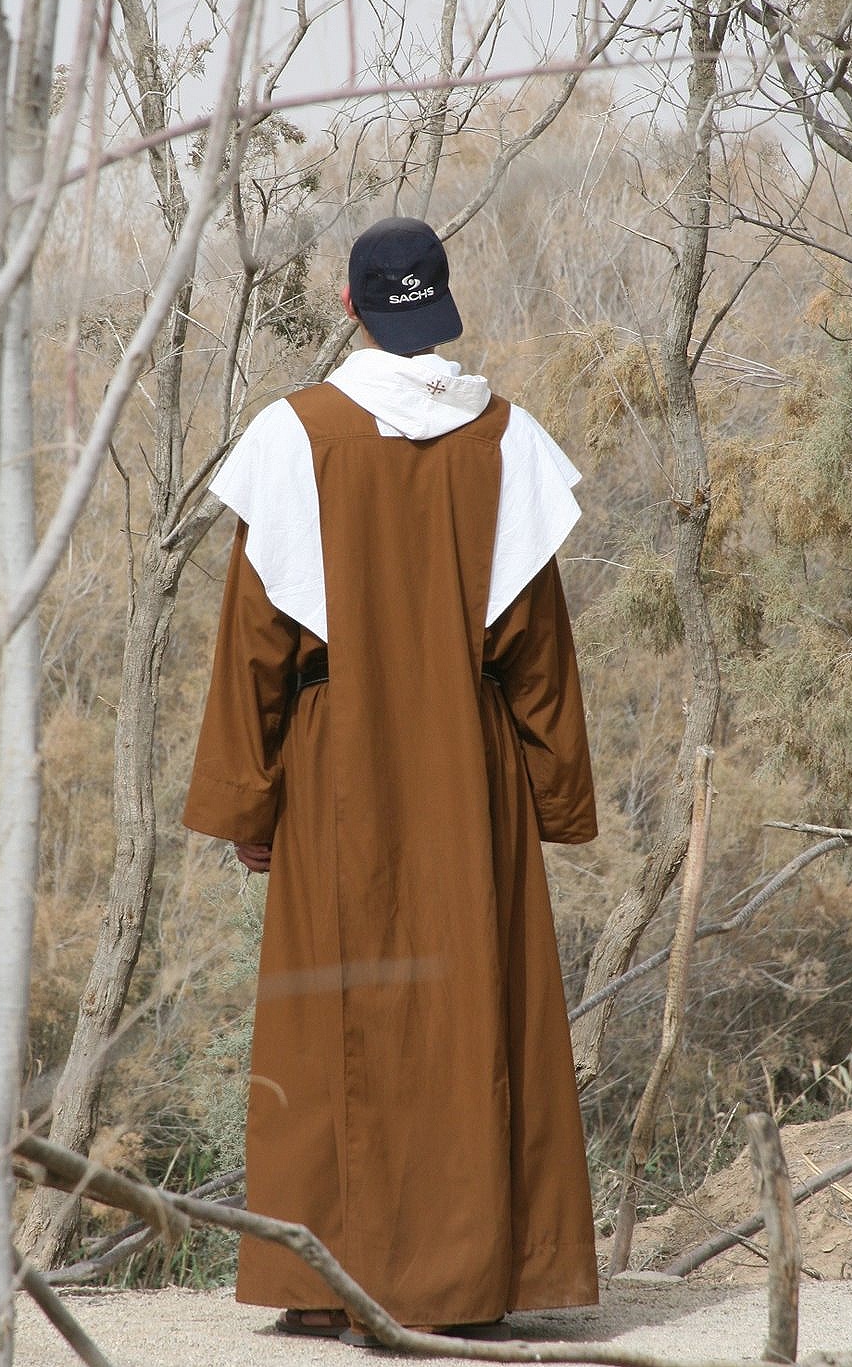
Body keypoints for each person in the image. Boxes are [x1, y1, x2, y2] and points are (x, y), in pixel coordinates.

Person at [182, 216, 599, 1345]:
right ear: (435, 307)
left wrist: (247, 803)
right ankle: (472, 1283)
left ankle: (330, 1288)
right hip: (470, 774)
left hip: (334, 766)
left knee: (338, 1015)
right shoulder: (503, 439)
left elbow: (255, 642)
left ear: (351, 306)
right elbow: (536, 650)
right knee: (473, 1018)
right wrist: (555, 800)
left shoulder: (294, 434)